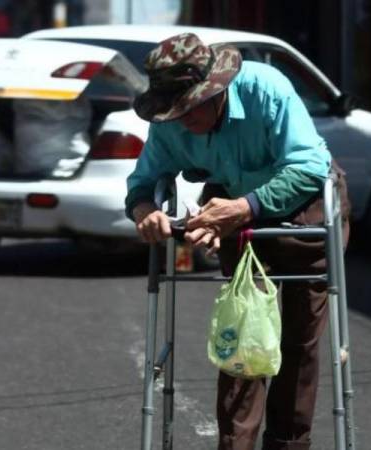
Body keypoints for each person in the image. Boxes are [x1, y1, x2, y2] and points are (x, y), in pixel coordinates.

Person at [125, 33, 350, 450]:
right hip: (232, 206)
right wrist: (146, 212)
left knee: (298, 340)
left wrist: (244, 208)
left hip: (304, 204)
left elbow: (309, 166)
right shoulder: (170, 123)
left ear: (217, 91)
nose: (181, 120)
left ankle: (287, 444)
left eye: (189, 108)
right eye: (174, 111)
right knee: (245, 333)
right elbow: (141, 183)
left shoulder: (267, 89)